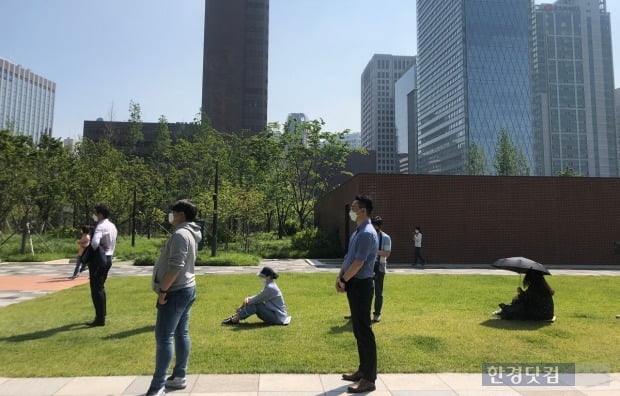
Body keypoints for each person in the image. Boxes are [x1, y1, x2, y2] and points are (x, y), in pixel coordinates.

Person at [146, 200, 202, 396]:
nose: (170, 216)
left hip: (176, 291)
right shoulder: (192, 232)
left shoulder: (180, 234)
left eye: (173, 212)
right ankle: (179, 376)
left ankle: (157, 386)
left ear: (181, 215)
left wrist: (163, 291)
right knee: (181, 333)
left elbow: (176, 266)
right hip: (187, 288)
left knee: (164, 337)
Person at [337, 195, 378, 394]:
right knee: (358, 329)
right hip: (353, 283)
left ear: (362, 210)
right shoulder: (357, 233)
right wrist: (340, 277)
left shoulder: (367, 233)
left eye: (353, 207)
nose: (350, 210)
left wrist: (345, 279)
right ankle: (363, 370)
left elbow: (359, 263)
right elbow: (349, 258)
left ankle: (369, 379)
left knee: (364, 330)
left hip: (361, 285)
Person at [221, 266, 291, 326]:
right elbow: (259, 296)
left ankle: (234, 319)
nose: (261, 278)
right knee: (254, 303)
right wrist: (248, 299)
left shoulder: (270, 288)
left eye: (262, 276)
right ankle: (235, 318)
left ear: (268, 277)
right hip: (275, 315)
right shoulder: (270, 285)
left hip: (278, 319)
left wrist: (243, 304)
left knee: (256, 305)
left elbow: (256, 300)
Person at [86, 203, 117, 327]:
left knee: (96, 289)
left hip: (99, 259)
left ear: (100, 214)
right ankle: (102, 314)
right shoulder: (112, 226)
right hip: (109, 258)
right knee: (100, 287)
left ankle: (99, 318)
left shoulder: (100, 226)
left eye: (96, 213)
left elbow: (94, 243)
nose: (95, 216)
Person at [371, 216, 391, 323]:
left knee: (378, 292)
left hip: (380, 266)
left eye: (376, 225)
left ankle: (377, 314)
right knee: (367, 291)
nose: (374, 227)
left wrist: (375, 251)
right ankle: (363, 312)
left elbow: (387, 253)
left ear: (380, 226)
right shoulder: (369, 236)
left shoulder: (386, 237)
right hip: (368, 266)